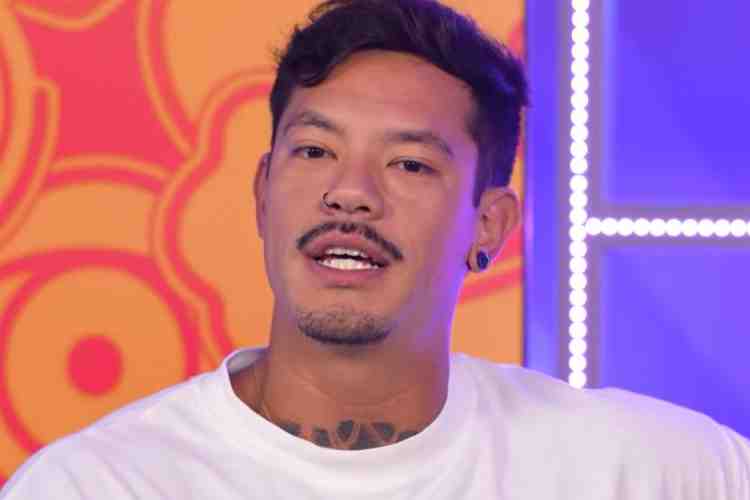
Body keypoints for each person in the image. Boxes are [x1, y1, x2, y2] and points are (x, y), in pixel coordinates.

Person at [2, 0, 749, 498]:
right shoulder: (98, 485)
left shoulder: (643, 473)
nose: (350, 194)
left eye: (410, 164)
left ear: (490, 224)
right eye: (315, 151)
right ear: (262, 192)